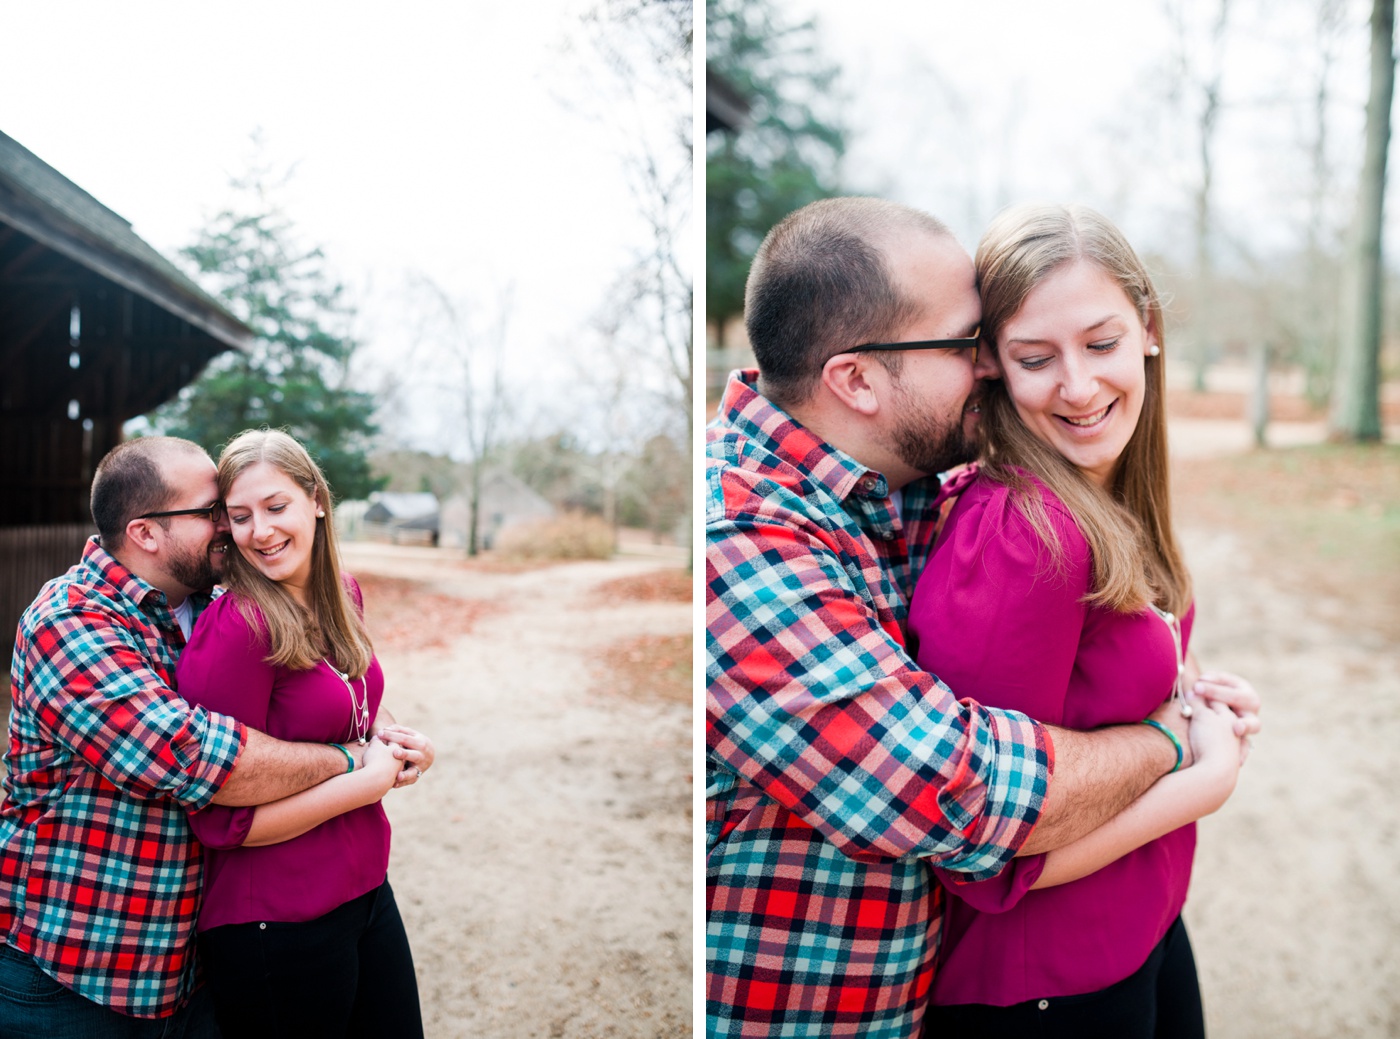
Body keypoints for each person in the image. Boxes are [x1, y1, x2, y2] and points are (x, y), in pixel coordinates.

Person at [705, 196, 1261, 1039]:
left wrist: (1191, 695)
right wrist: (1183, 749)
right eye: (977, 345)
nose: (997, 370)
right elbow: (962, 796)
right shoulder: (736, 536)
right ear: (856, 379)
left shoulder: (900, 488)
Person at [910, 203, 1252, 1038]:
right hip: (1044, 993)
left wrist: (1197, 696)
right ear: (993, 366)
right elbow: (983, 857)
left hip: (1141, 933)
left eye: (1101, 343)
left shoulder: (1101, 490)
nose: (1078, 384)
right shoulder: (1026, 536)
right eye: (1035, 357)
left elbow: (1117, 675)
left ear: (1149, 329)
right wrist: (1198, 779)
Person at [0, 435, 397, 1036]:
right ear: (146, 534)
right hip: (78, 973)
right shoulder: (70, 619)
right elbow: (197, 760)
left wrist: (385, 732)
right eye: (215, 513)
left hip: (189, 968)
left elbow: (326, 686)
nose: (232, 528)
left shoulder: (208, 600)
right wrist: (352, 762)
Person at [174, 428, 430, 1037]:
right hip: (276, 923)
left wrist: (398, 742)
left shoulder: (342, 594)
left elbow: (353, 709)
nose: (260, 531)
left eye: (276, 507)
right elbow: (221, 824)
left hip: (366, 891)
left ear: (316, 498)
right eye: (240, 516)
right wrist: (365, 782)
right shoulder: (236, 627)